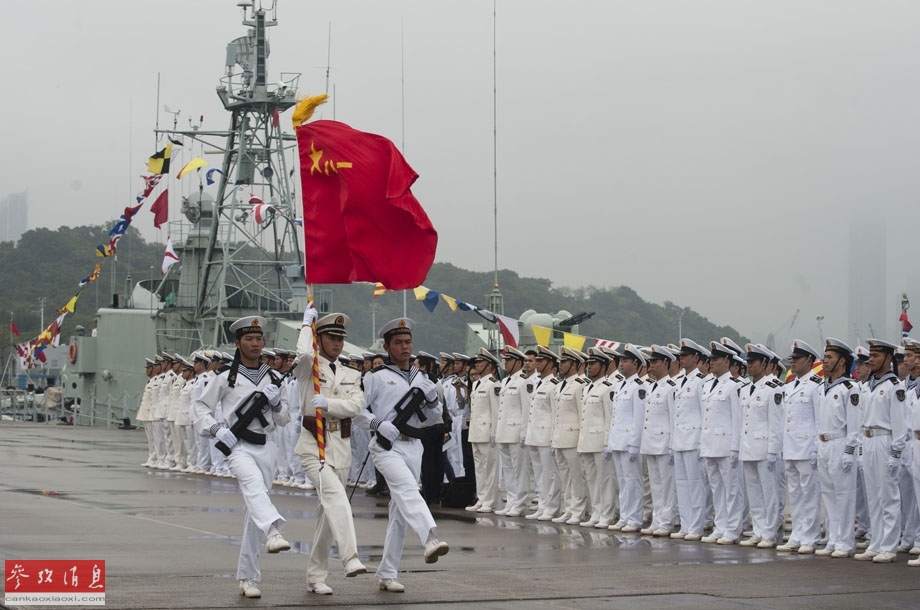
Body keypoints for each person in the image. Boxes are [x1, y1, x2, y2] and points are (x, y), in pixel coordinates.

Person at [192, 316, 291, 599]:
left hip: (266, 446)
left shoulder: (273, 378)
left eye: (259, 339)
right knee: (252, 487)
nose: (256, 344)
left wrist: (274, 403)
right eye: (249, 339)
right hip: (238, 446)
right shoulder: (225, 377)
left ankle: (248, 577)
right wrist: (215, 430)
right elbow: (201, 407)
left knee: (253, 511)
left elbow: (284, 418)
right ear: (237, 343)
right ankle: (274, 530)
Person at [357, 318, 449, 593]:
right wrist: (377, 424)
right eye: (398, 343)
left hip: (414, 445)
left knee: (399, 513)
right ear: (387, 346)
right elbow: (358, 410)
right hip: (387, 446)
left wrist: (433, 400)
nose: (405, 347)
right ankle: (430, 537)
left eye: (408, 342)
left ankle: (388, 571)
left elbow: (433, 420)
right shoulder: (375, 377)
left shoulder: (422, 379)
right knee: (408, 490)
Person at [293, 310, 367, 595]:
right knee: (337, 500)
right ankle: (350, 557)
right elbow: (302, 356)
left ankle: (315, 576)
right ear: (319, 338)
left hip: (340, 445)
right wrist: (305, 326)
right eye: (331, 338)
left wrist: (330, 404)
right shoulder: (309, 367)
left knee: (327, 516)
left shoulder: (352, 373)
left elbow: (356, 406)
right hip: (314, 446)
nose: (336, 344)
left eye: (340, 339)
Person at [855, 338, 907, 563]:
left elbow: (899, 423)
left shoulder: (894, 386)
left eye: (875, 357)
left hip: (884, 440)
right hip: (868, 440)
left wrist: (896, 453)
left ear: (888, 358)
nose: (871, 360)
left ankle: (889, 545)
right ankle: (876, 542)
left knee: (888, 496)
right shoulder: (867, 386)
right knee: (873, 496)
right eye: (870, 356)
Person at [814, 338, 860, 558]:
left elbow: (854, 423)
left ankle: (845, 540)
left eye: (830, 357)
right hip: (824, 443)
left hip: (840, 442)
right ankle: (833, 538)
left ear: (842, 361)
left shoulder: (849, 388)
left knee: (844, 495)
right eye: (825, 356)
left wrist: (850, 450)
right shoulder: (824, 387)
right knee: (829, 494)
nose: (825, 361)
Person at [776, 340, 822, 554]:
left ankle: (810, 536)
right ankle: (797, 534)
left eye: (797, 359)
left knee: (809, 493)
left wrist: (815, 449)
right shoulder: (789, 386)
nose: (792, 363)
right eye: (791, 360)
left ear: (810, 361)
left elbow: (818, 420)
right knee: (794, 493)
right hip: (791, 447)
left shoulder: (815, 385)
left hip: (806, 447)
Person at [738, 343, 783, 548]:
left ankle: (769, 532)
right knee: (754, 492)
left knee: (769, 492)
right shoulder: (746, 390)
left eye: (753, 362)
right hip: (749, 447)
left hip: (765, 449)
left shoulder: (773, 389)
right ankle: (758, 530)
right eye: (747, 362)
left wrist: (773, 451)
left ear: (764, 363)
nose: (749, 366)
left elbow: (775, 423)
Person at [699, 341, 744, 544]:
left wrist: (735, 447)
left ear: (727, 361)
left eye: (716, 360)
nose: (712, 363)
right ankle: (720, 526)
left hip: (726, 445)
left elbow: (737, 419)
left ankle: (733, 528)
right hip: (710, 444)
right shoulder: (708, 385)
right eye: (711, 359)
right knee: (717, 488)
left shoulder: (734, 386)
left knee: (732, 489)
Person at [606, 344, 648, 533]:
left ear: (636, 364)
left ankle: (635, 518)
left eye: (625, 361)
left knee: (633, 482)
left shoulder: (639, 387)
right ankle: (625, 516)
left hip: (629, 442)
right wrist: (610, 442)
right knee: (623, 482)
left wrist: (634, 443)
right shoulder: (620, 385)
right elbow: (616, 416)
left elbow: (639, 418)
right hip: (618, 440)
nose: (621, 364)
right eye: (621, 360)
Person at [670, 339, 709, 541]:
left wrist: (702, 442)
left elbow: (704, 414)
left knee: (695, 485)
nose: (681, 359)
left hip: (694, 439)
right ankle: (686, 524)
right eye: (680, 356)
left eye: (685, 356)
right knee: (682, 485)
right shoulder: (678, 382)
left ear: (696, 358)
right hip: (679, 439)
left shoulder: (702, 382)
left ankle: (696, 525)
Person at [640, 345, 678, 536]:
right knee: (655, 484)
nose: (651, 365)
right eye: (651, 362)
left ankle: (667, 521)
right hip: (651, 442)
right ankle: (657, 519)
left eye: (655, 362)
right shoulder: (652, 387)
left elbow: (673, 418)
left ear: (666, 363)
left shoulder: (671, 388)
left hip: (664, 443)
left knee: (667, 485)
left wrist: (672, 446)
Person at [494, 347, 534, 517]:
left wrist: (524, 434)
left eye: (509, 361)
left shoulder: (524, 382)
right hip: (504, 431)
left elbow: (527, 410)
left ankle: (520, 501)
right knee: (508, 470)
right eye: (505, 360)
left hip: (516, 432)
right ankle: (511, 500)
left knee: (520, 470)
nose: (505, 363)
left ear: (518, 362)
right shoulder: (505, 382)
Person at [467, 348, 502, 513]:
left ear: (490, 366)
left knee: (490, 468)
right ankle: (481, 499)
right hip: (475, 431)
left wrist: (495, 433)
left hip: (487, 432)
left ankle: (489, 501)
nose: (477, 365)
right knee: (479, 468)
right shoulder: (476, 383)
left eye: (481, 362)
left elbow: (496, 411)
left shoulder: (494, 385)